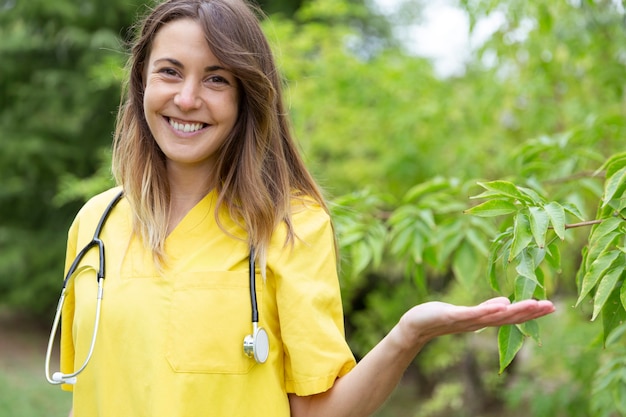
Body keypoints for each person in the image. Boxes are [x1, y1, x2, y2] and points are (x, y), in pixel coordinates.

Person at [55, 0, 556, 416]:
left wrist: (407, 336)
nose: (187, 98)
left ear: (246, 97)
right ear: (142, 81)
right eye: (169, 72)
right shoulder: (96, 224)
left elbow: (317, 411)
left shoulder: (290, 226)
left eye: (216, 80)